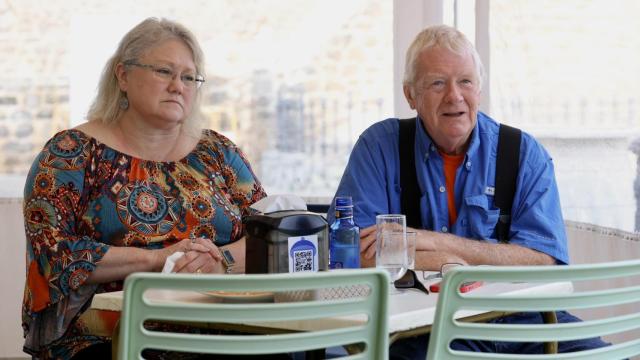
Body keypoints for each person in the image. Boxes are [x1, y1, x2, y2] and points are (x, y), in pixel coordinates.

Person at [328, 25, 609, 359]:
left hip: (525, 322)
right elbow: (352, 251)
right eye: (437, 83)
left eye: (465, 81)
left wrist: (431, 243)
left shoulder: (522, 153)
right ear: (410, 95)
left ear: (479, 88)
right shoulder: (379, 148)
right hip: (422, 330)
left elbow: (543, 261)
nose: (454, 96)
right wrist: (450, 262)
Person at [21, 18, 266, 359]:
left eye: (188, 77)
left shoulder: (219, 153)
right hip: (105, 336)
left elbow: (271, 235)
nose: (177, 86)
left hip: (225, 325)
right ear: (122, 76)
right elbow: (54, 254)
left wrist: (220, 262)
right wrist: (157, 260)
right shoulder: (70, 154)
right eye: (164, 71)